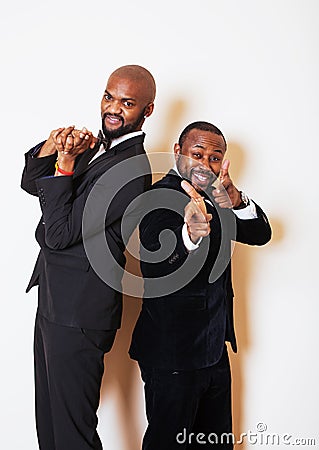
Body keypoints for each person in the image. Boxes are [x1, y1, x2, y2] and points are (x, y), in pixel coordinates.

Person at [21, 64, 156, 450]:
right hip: (53, 298)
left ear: (147, 111)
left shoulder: (130, 170)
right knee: (49, 422)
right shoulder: (96, 148)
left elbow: (59, 233)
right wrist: (53, 148)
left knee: (72, 433)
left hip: (79, 314)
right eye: (109, 97)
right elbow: (32, 184)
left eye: (127, 103)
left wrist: (65, 165)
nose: (113, 108)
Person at [129, 121, 272, 449]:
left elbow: (260, 234)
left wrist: (236, 199)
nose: (206, 165)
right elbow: (156, 257)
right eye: (197, 154)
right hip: (172, 354)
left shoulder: (220, 198)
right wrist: (189, 233)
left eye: (214, 157)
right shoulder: (157, 196)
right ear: (178, 152)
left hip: (214, 350)